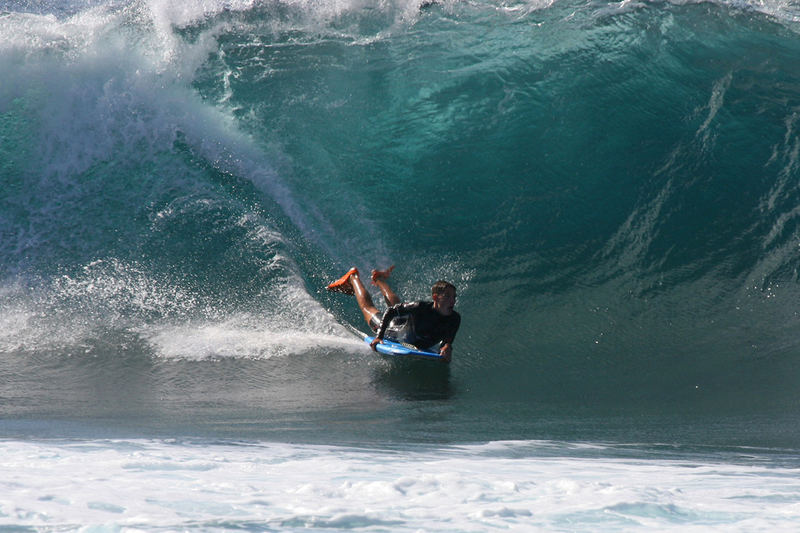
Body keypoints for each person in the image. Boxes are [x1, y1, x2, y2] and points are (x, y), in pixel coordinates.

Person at [326, 266, 460, 361]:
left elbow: (448, 339)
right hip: (393, 331)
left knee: (398, 305)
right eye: (447, 296)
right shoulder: (420, 307)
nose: (452, 300)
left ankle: (378, 278)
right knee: (368, 308)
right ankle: (352, 277)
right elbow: (390, 311)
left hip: (407, 327)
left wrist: (447, 348)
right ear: (435, 298)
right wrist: (380, 336)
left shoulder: (455, 318)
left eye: (454, 297)